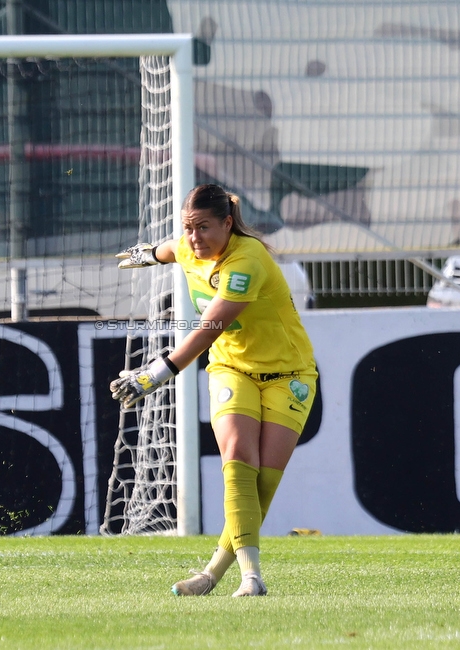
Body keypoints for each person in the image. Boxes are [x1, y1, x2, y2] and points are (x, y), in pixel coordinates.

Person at [110, 183, 318, 597]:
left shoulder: (247, 260)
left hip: (289, 374)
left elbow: (210, 327)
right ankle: (252, 578)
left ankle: (210, 576)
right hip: (231, 369)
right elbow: (170, 249)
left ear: (227, 223)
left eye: (203, 228)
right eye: (188, 228)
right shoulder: (188, 245)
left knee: (261, 486)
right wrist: (147, 255)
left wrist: (156, 373)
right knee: (238, 459)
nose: (193, 238)